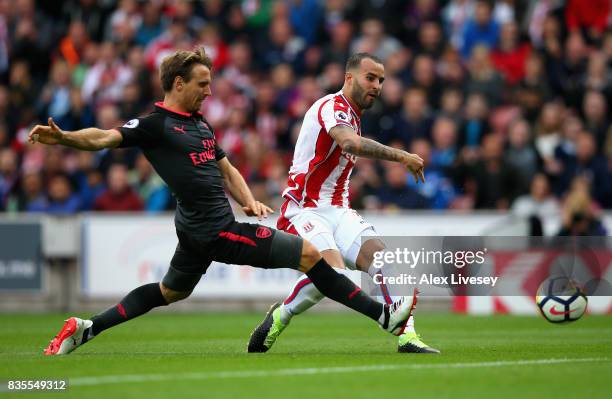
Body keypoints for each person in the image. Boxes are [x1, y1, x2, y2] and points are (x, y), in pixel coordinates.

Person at [31, 48, 418, 356]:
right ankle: (384, 317)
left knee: (170, 292)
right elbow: (103, 137)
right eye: (202, 84)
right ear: (178, 83)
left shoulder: (200, 124)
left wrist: (248, 200)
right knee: (311, 256)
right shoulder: (155, 125)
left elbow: (227, 168)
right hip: (216, 231)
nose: (209, 91)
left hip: (196, 231)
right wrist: (65, 138)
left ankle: (86, 328)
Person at [247, 53, 439, 354]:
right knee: (335, 276)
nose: (377, 85)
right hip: (304, 209)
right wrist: (402, 156)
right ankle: (280, 315)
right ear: (349, 78)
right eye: (370, 78)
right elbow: (349, 143)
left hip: (338, 209)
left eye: (381, 80)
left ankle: (407, 337)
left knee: (386, 262)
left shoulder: (354, 116)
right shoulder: (331, 107)